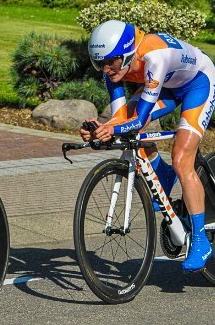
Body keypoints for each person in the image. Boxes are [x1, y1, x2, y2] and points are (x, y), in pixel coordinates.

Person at [81, 19, 215, 272]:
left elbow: (139, 120)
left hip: (199, 84)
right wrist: (99, 129)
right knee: (129, 130)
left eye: (111, 62)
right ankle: (161, 175)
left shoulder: (155, 57)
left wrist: (113, 128)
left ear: (128, 53)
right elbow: (120, 118)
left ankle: (200, 240)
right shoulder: (114, 66)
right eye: (100, 63)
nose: (106, 69)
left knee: (181, 158)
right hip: (168, 85)